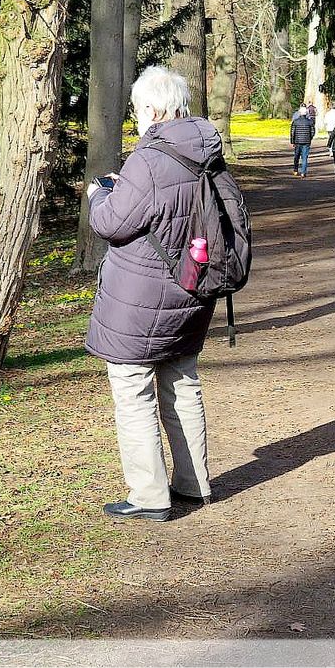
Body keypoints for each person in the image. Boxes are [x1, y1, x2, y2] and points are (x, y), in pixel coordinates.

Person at [84, 65, 217, 522]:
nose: (136, 119)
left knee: (133, 392)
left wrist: (98, 196)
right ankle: (193, 483)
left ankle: (148, 496)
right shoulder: (207, 150)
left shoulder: (148, 158)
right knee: (183, 383)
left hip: (140, 301)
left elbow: (111, 223)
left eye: (138, 110)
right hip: (193, 289)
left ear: (154, 109)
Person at [290, 105, 315, 178]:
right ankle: (303, 172)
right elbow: (313, 132)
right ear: (306, 113)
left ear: (300, 113)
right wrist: (310, 138)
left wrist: (292, 141)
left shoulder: (295, 122)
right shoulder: (310, 122)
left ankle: (295, 170)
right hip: (306, 142)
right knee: (304, 157)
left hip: (297, 141)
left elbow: (292, 132)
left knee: (296, 156)